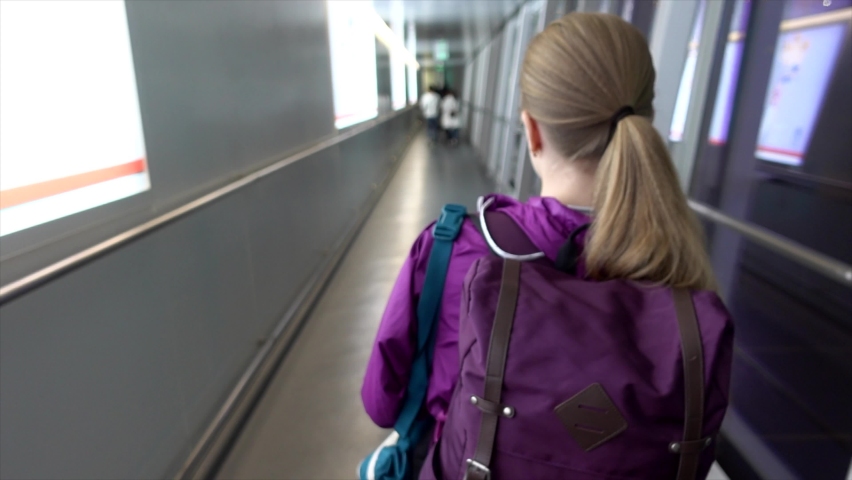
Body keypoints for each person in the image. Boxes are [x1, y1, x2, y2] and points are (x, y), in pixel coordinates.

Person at [362, 13, 732, 480]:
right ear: (647, 122)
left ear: (531, 131)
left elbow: (381, 402)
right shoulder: (676, 270)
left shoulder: (456, 247)